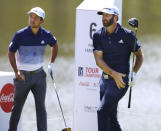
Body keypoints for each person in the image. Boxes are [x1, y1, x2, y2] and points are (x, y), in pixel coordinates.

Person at [93, 6, 144, 131]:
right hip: (104, 80)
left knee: (102, 112)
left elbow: (139, 56)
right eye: (103, 15)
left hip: (120, 81)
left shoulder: (127, 35)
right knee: (110, 117)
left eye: (107, 15)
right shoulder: (98, 35)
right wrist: (112, 73)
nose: (104, 17)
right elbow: (98, 60)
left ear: (116, 17)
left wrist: (134, 73)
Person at [8, 7, 58, 131]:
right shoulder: (20, 34)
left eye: (36, 17)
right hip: (22, 77)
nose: (32, 19)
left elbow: (55, 45)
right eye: (31, 16)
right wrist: (16, 71)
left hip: (39, 76)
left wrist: (51, 63)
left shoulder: (46, 34)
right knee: (17, 108)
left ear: (42, 20)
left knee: (41, 108)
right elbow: (10, 53)